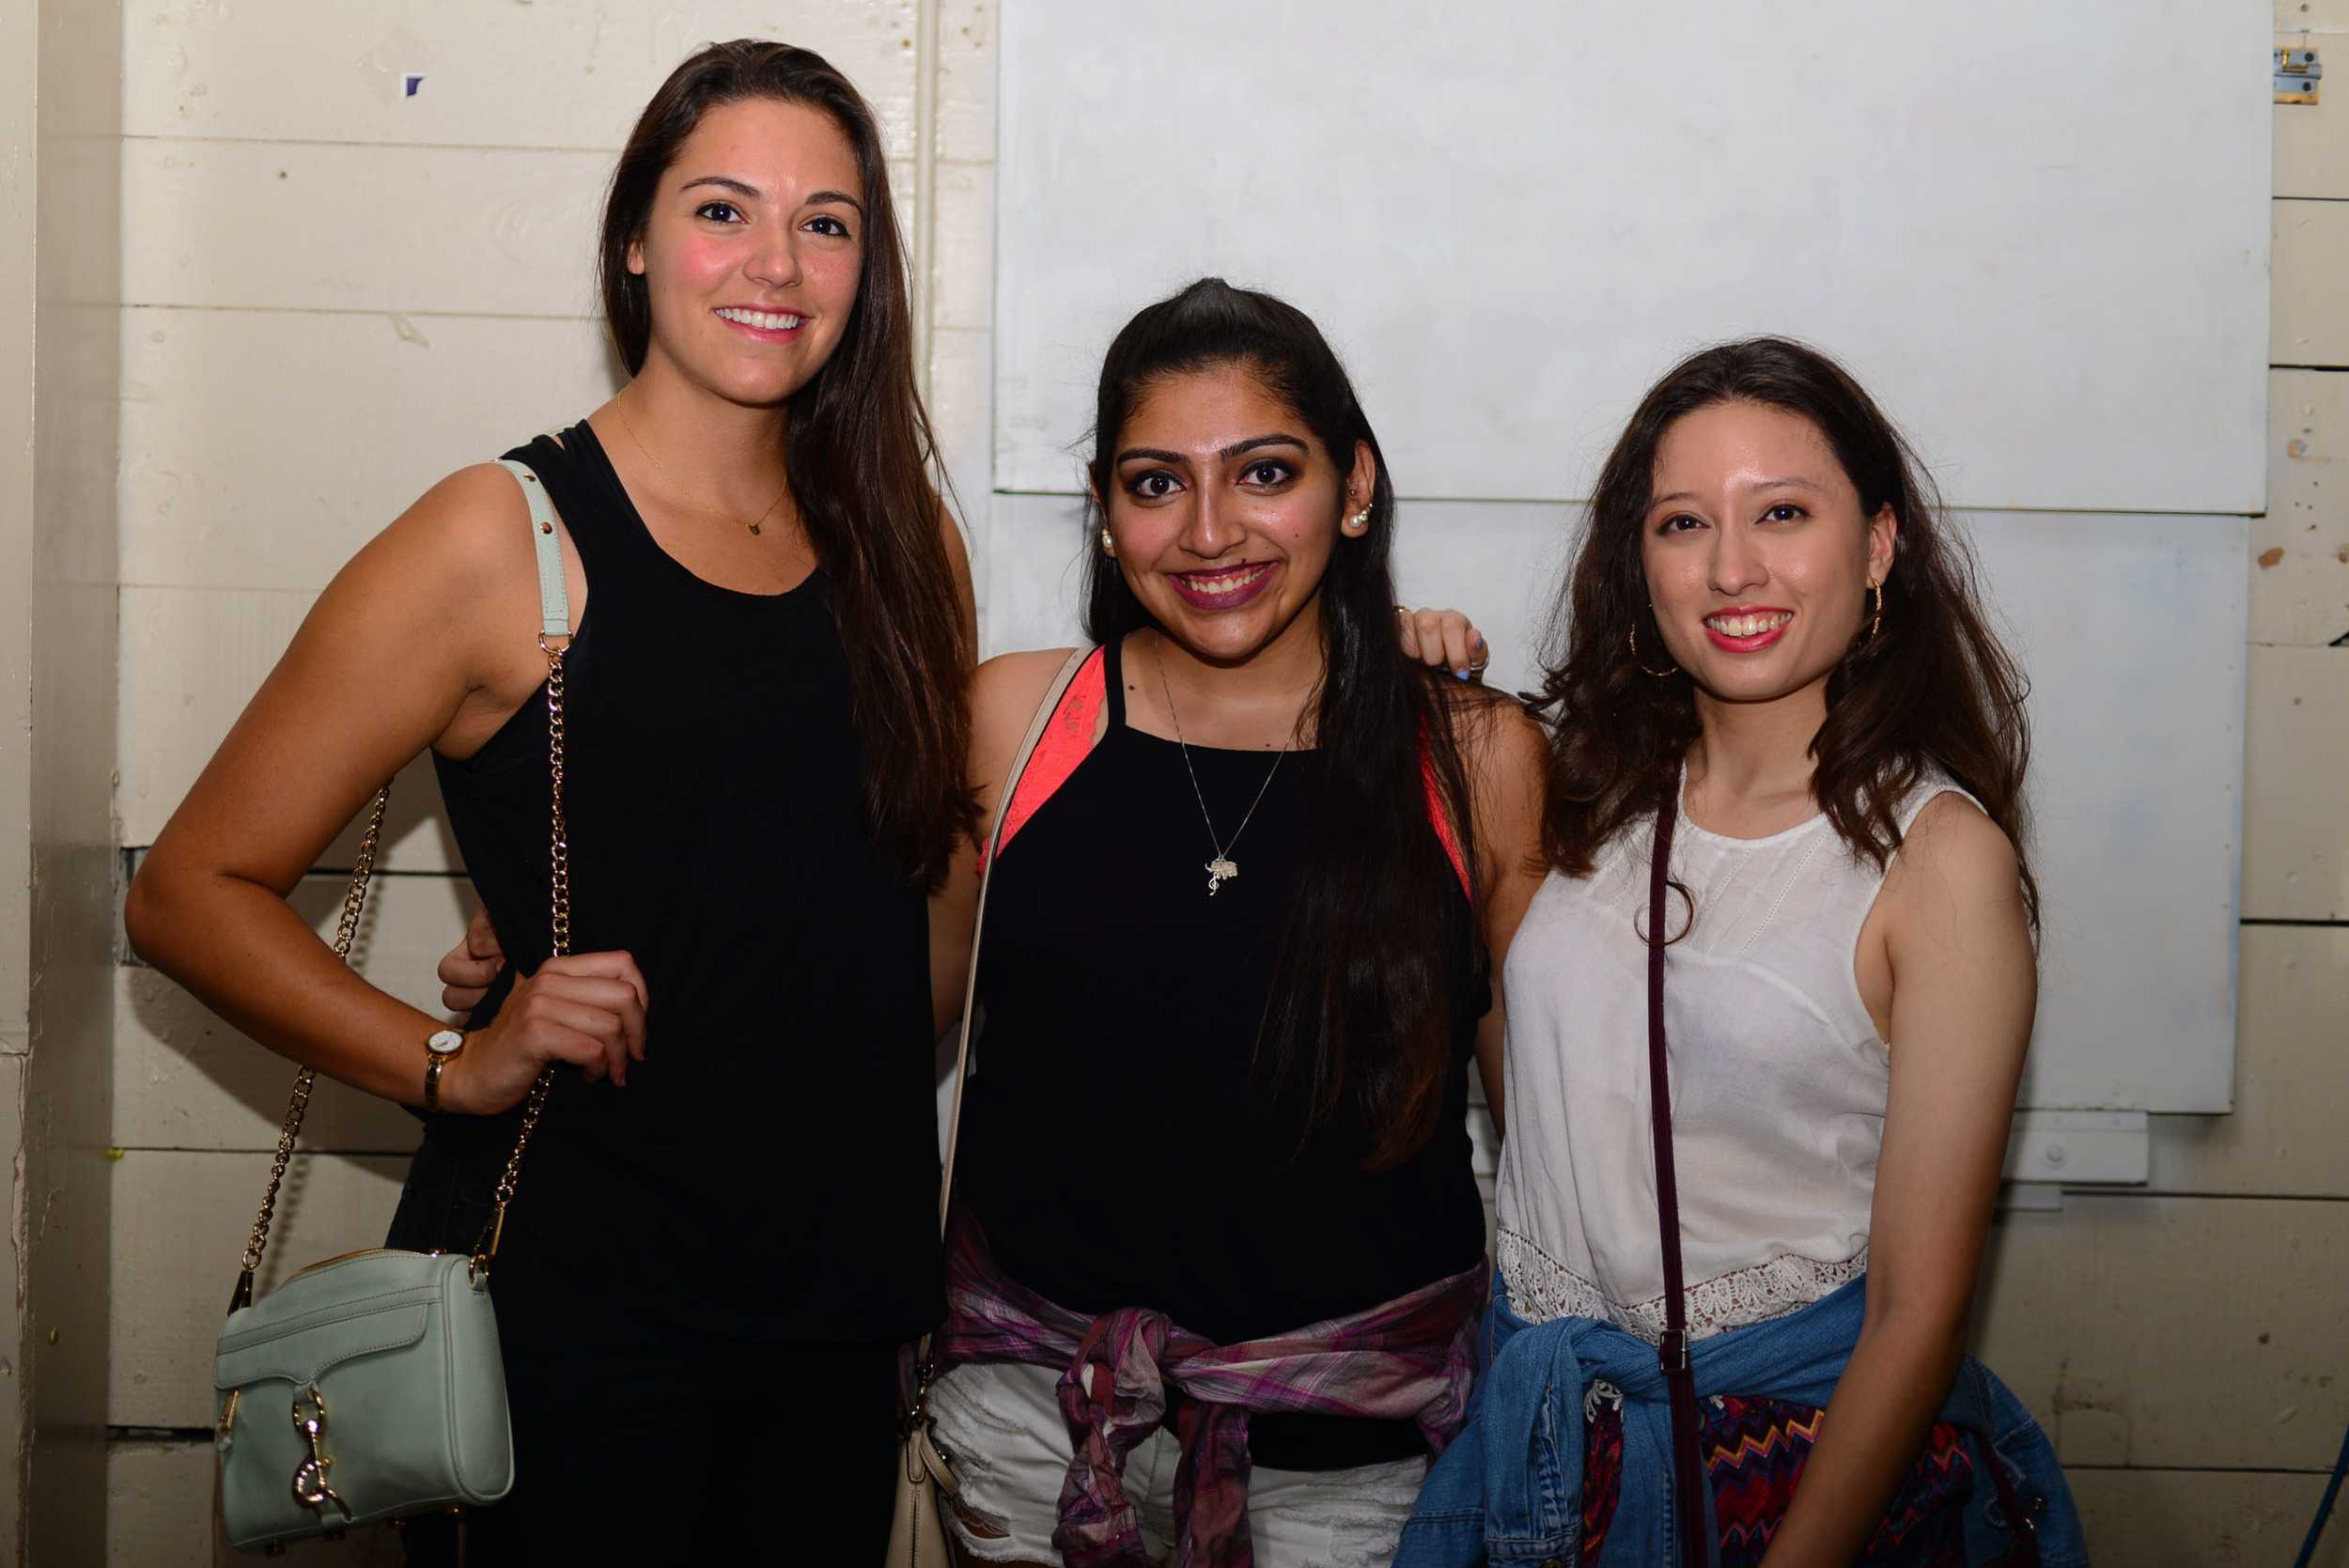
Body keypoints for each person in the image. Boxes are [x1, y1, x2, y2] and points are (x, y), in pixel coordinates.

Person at [126, 40, 979, 1563]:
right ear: (636, 241)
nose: (776, 261)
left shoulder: (905, 544)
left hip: (840, 1326)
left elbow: (903, 943)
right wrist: (452, 1056)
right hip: (572, 1324)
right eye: (725, 209)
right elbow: (186, 887)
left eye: (828, 222)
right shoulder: (500, 537)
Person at [1398, 338, 2085, 1566]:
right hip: (1540, 1452)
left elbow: (1919, 1313)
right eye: (1680, 523)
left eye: (1781, 512)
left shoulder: (1938, 863)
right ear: (1638, 565)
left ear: (1878, 548)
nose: (1731, 566)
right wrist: (1384, 661)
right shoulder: (1578, 801)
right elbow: (1540, 1091)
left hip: (1786, 1474)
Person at [900, 278, 1550, 1568]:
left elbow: (1552, 1117)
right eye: (1155, 484)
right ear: (1101, 513)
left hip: (1356, 1468)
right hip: (1039, 1430)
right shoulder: (1014, 722)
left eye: (1263, 472)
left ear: (1353, 486)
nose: (1208, 531)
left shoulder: (1474, 752)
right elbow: (884, 1005)